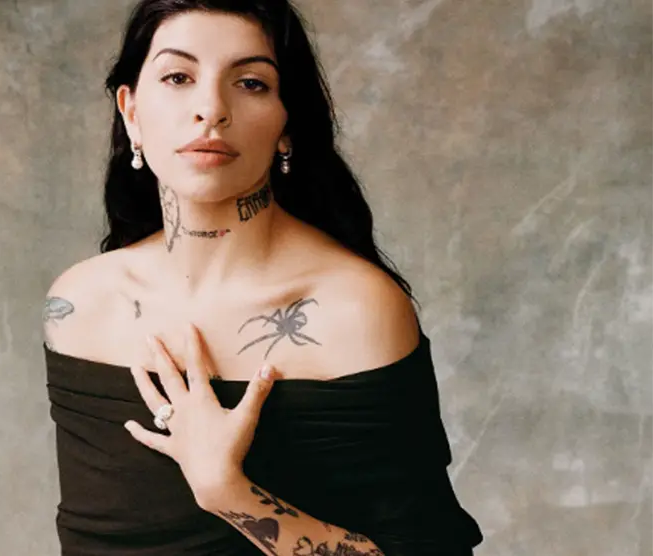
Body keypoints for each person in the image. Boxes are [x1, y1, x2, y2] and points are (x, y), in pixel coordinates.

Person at [42, 1, 483, 554]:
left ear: (286, 125)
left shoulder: (355, 311)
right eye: (178, 77)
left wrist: (228, 492)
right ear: (131, 112)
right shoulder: (82, 305)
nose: (211, 109)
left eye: (250, 83)